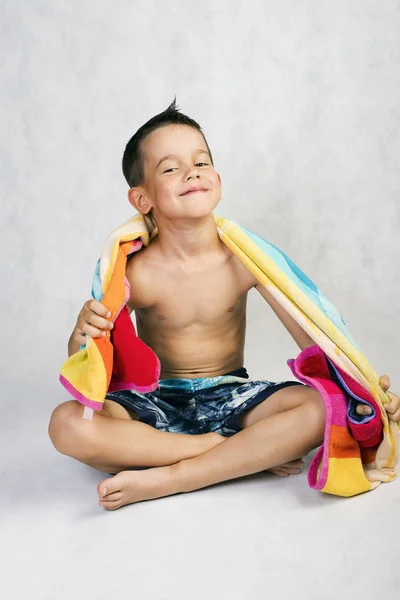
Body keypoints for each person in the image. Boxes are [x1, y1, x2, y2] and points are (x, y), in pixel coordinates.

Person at [48, 98, 400, 510]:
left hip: (232, 394)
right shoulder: (133, 271)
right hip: (156, 401)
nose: (191, 172)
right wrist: (80, 334)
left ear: (216, 176)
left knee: (322, 407)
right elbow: (91, 365)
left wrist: (358, 380)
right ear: (142, 200)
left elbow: (315, 333)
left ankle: (176, 475)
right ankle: (229, 454)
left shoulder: (244, 260)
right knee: (66, 424)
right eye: (170, 168)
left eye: (200, 161)